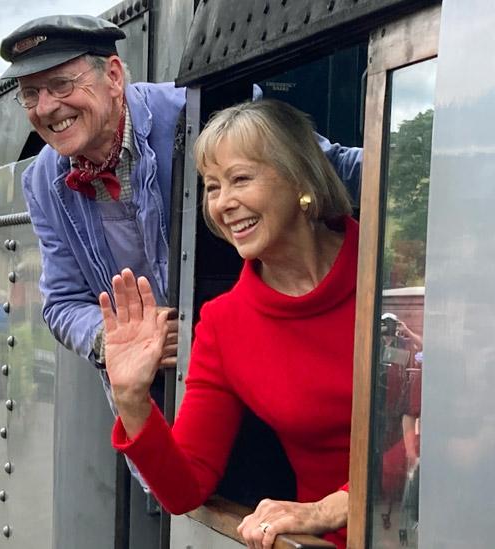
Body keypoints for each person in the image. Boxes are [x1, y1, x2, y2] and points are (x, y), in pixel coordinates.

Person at [0, 14, 363, 373]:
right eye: (31, 95)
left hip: (258, 360)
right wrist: (112, 338)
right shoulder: (41, 180)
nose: (45, 107)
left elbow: (326, 168)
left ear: (113, 76)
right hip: (149, 386)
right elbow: (62, 302)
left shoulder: (198, 110)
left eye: (62, 85)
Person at [101, 100, 357, 549]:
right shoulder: (223, 323)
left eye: (240, 179)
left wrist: (336, 504)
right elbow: (186, 488)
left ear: (300, 177)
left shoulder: (392, 266)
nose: (223, 204)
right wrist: (131, 400)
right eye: (212, 187)